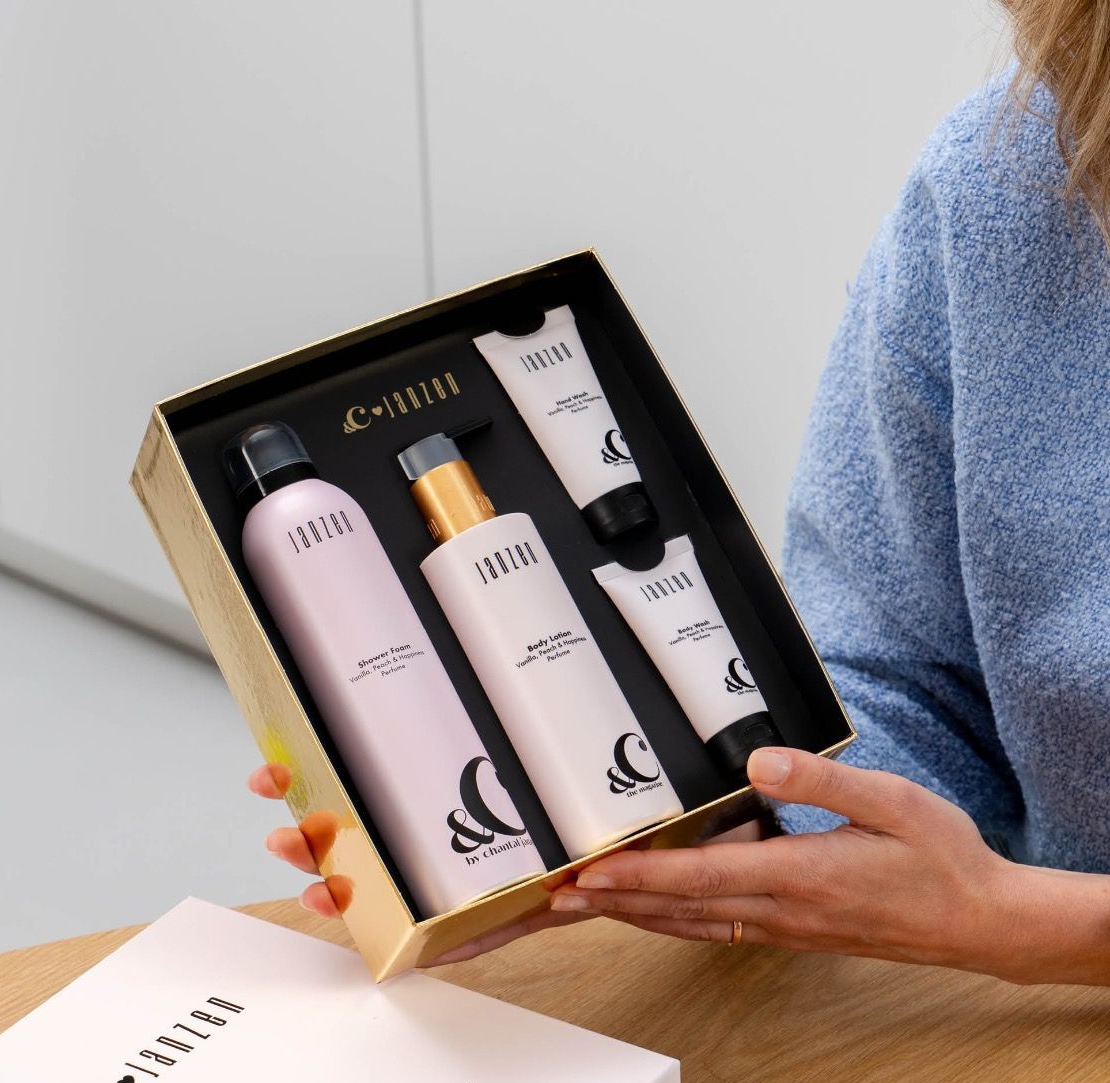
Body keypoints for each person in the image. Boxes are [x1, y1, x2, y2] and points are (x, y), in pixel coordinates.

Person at [252, 0, 1110, 986]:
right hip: (1016, 1027)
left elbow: (995, 915)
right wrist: (723, 819)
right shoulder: (1013, 178)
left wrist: (1022, 923)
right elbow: (902, 668)